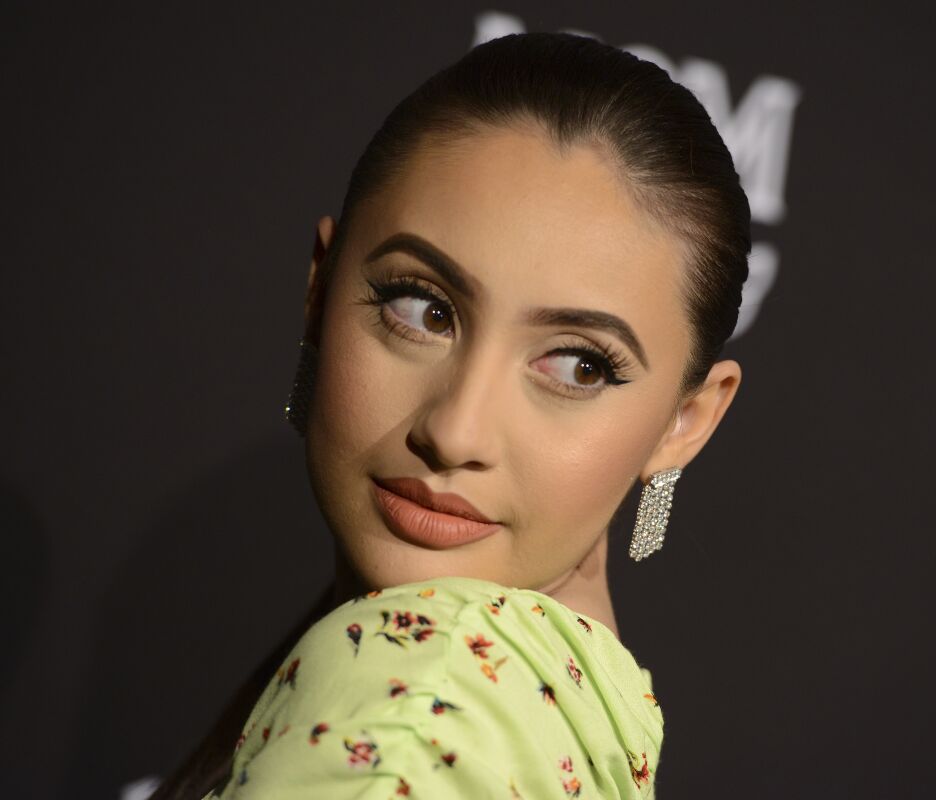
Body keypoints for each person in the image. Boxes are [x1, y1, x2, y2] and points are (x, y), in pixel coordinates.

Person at [152, 30, 749, 799]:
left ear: (686, 421)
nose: (454, 431)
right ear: (320, 290)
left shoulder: (415, 719)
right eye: (423, 310)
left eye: (579, 365)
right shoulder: (557, 697)